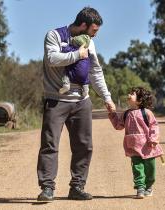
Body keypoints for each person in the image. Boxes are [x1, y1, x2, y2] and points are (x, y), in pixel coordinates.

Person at [37, 7, 116, 201]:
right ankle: (47, 188)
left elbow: (96, 72)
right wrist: (77, 55)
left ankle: (77, 187)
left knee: (84, 146)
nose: (95, 35)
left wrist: (107, 98)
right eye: (93, 31)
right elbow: (52, 59)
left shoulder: (89, 44)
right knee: (50, 145)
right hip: (56, 100)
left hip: (82, 101)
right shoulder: (54, 35)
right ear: (83, 25)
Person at [107, 87, 164, 199]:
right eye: (129, 93)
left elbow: (154, 126)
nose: (129, 95)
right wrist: (112, 114)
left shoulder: (147, 113)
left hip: (147, 147)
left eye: (132, 94)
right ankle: (140, 188)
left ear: (140, 99)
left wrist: (153, 139)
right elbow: (118, 126)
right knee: (137, 168)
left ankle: (149, 186)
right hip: (133, 147)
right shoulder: (126, 113)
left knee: (150, 170)